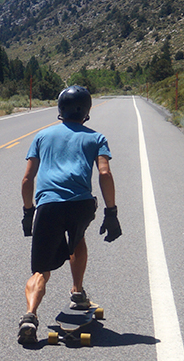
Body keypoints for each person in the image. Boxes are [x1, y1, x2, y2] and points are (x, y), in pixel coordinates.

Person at [17, 85, 122, 345]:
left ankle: (30, 315)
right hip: (81, 205)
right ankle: (77, 292)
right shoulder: (96, 138)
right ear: (86, 111)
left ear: (60, 110)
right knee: (77, 239)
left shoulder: (42, 135)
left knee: (41, 270)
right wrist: (112, 212)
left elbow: (28, 178)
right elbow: (105, 174)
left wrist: (28, 211)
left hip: (48, 205)